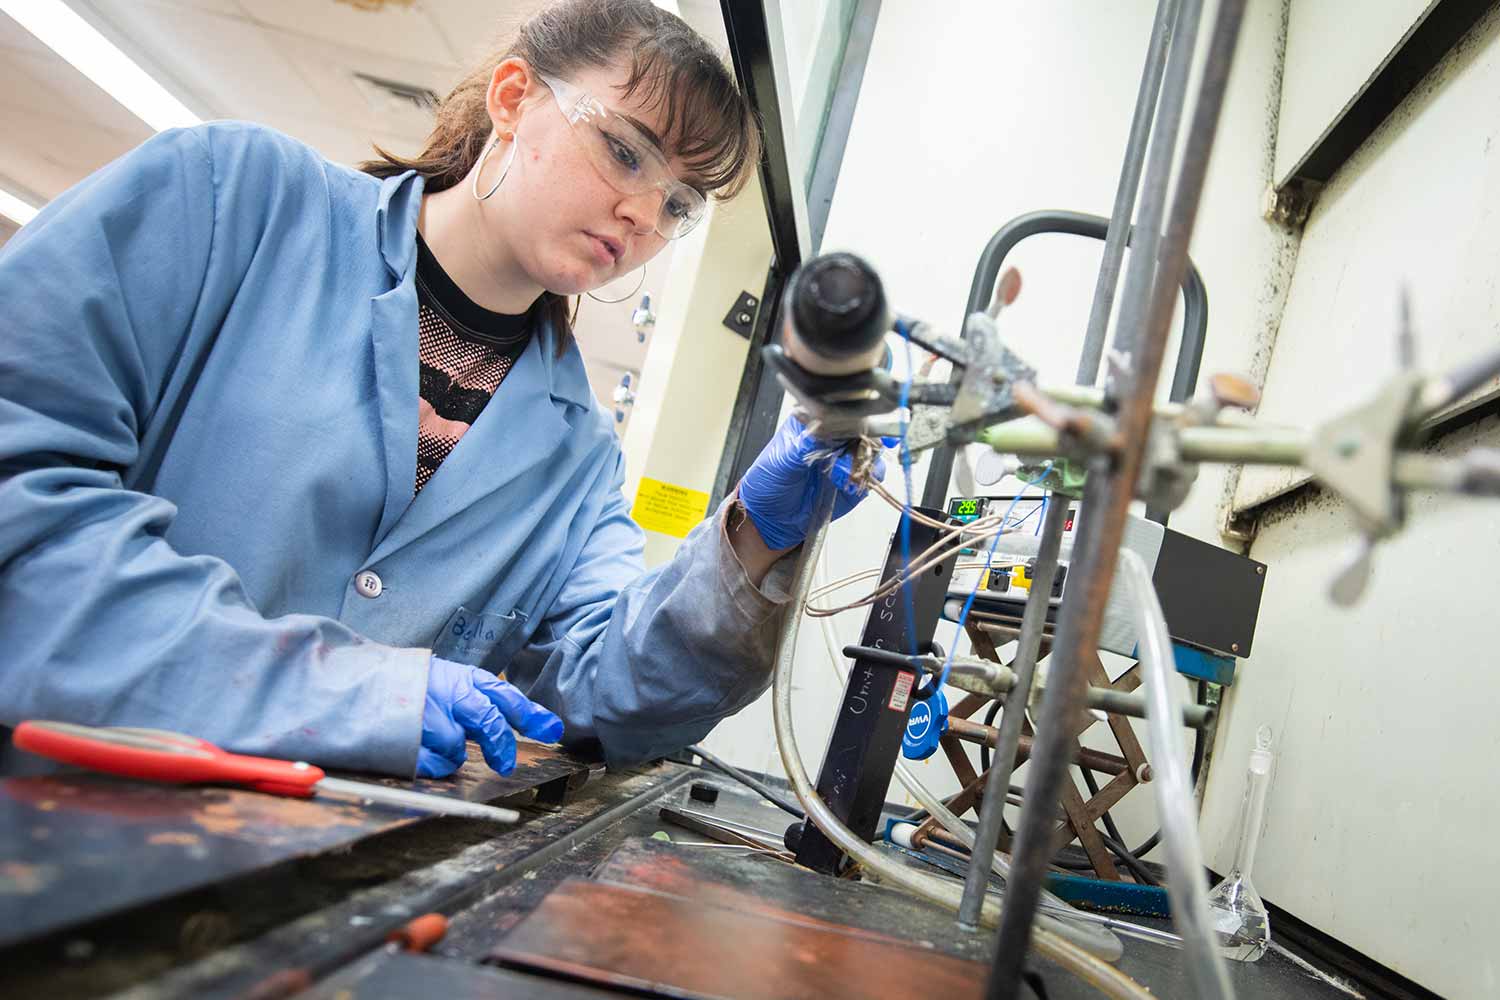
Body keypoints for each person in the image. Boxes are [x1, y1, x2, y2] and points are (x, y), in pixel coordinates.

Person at [0, 0, 882, 780]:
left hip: (301, 886)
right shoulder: (228, 198)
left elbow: (608, 686)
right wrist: (339, 690)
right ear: (513, 98)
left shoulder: (575, 456)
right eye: (624, 151)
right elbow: (23, 511)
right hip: (52, 805)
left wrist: (754, 539)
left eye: (681, 204)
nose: (646, 217)